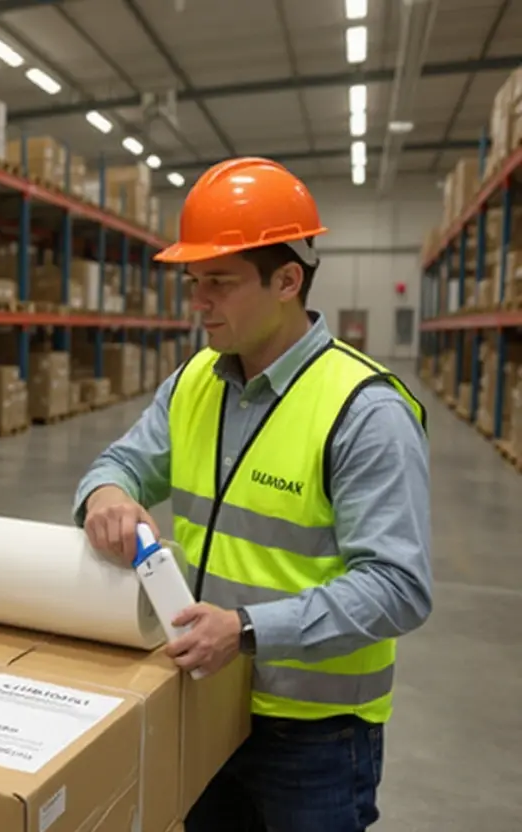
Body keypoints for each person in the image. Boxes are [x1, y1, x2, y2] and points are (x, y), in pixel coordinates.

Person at [73, 157, 433, 831]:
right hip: (207, 704)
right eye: (192, 282)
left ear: (287, 281)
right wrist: (105, 494)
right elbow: (122, 462)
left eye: (219, 282)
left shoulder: (365, 411)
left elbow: (399, 585)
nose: (197, 302)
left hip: (316, 736)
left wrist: (244, 630)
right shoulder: (194, 383)